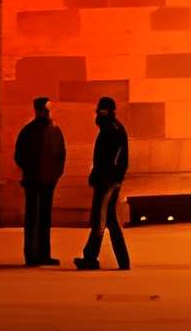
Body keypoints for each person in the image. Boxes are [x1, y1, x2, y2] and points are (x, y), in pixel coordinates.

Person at [75, 96, 130, 271]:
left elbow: (115, 160)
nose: (99, 113)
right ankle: (122, 261)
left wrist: (108, 178)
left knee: (100, 218)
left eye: (102, 110)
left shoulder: (113, 130)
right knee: (109, 220)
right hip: (106, 179)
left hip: (108, 181)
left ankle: (90, 257)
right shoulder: (109, 128)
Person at [13, 97, 67, 268]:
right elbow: (20, 156)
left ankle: (42, 254)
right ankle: (34, 254)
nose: (48, 112)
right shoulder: (32, 131)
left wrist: (55, 173)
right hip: (36, 180)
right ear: (38, 110)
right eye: (45, 109)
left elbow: (60, 155)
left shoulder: (48, 130)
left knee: (42, 218)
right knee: (36, 218)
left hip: (44, 180)